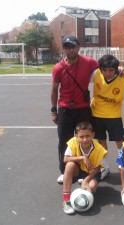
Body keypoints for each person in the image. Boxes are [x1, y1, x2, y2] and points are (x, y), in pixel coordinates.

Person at [51, 35, 98, 184]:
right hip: (65, 109)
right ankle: (64, 171)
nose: (70, 50)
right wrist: (54, 110)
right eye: (67, 47)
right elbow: (54, 90)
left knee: (85, 141)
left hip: (83, 109)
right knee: (64, 141)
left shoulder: (89, 62)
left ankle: (85, 171)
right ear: (63, 49)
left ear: (78, 47)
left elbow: (108, 67)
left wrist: (120, 68)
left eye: (73, 46)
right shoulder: (58, 67)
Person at [62, 121, 107, 214]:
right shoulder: (73, 143)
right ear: (76, 136)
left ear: (93, 135)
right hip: (78, 170)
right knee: (69, 165)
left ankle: (84, 185)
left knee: (92, 187)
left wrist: (87, 180)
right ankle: (66, 199)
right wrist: (82, 158)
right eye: (81, 137)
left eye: (87, 136)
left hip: (92, 172)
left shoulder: (99, 148)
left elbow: (97, 168)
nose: (85, 139)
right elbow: (65, 159)